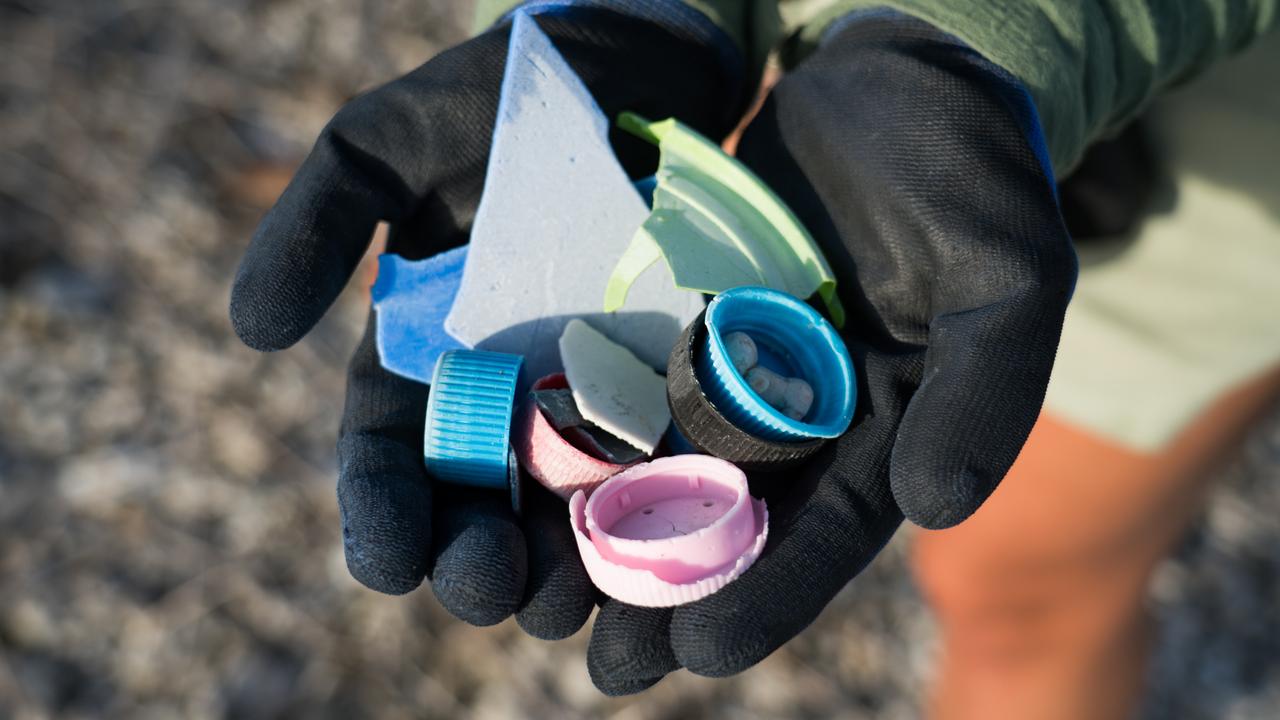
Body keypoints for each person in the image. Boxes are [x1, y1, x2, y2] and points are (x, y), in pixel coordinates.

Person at [229, 1, 1280, 716]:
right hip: (859, 187)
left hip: (1224, 171)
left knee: (1021, 587)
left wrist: (989, 29)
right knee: (1008, 590)